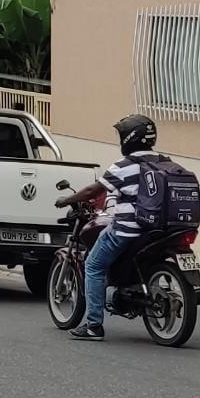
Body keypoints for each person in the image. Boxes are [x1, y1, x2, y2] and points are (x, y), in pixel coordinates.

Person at [53, 113, 162, 341]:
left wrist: (66, 200)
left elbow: (95, 191)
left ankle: (93, 326)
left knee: (92, 264)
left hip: (127, 230)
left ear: (129, 139)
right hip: (158, 232)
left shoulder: (123, 166)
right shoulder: (165, 162)